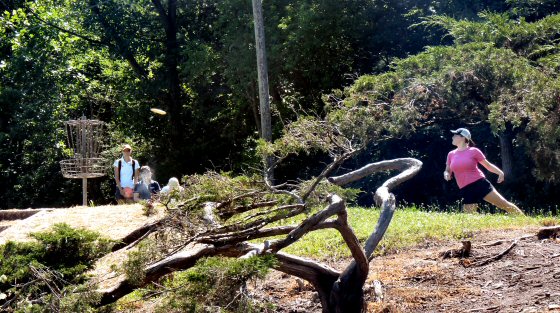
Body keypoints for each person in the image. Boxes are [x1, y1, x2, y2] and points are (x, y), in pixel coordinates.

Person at [444, 128, 524, 215]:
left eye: (455, 135)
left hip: (479, 184)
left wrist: (500, 173)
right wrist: (446, 174)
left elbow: (488, 165)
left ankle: (525, 221)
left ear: (463, 137)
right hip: (465, 188)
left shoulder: (474, 151)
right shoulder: (451, 154)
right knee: (469, 216)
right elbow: (448, 170)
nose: (452, 137)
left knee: (504, 204)